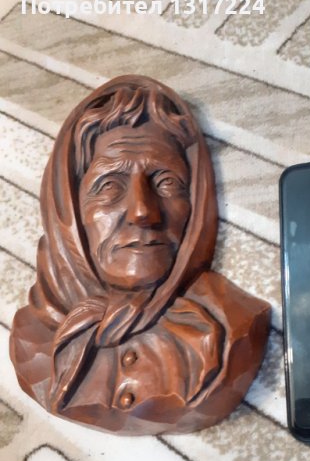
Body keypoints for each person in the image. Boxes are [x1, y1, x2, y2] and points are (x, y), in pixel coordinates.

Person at [10, 75, 270, 435]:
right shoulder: (33, 337)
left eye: (166, 183)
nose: (142, 211)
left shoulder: (233, 325)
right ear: (67, 211)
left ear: (197, 201)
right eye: (109, 186)